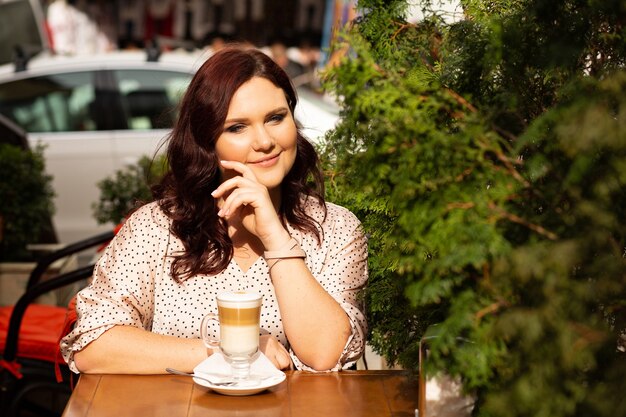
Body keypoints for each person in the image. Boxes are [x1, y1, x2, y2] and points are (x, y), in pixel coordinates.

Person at [60, 46, 368, 374]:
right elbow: (93, 347)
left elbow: (327, 355)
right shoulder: (156, 227)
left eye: (276, 118)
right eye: (237, 127)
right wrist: (230, 353)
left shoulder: (335, 228)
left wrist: (275, 237)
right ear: (208, 142)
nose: (264, 141)